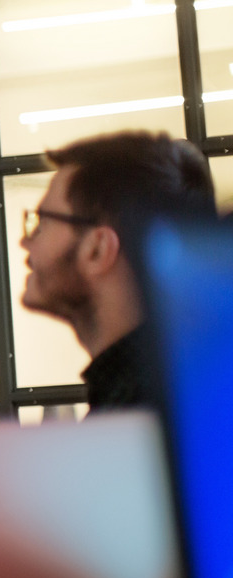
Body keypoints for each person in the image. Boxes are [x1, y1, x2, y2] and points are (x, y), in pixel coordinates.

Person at [19, 129, 215, 411]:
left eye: (42, 222)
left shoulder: (142, 417)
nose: (25, 242)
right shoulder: (189, 383)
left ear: (98, 249)